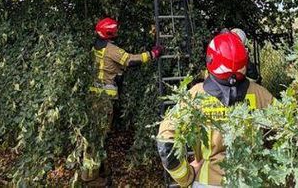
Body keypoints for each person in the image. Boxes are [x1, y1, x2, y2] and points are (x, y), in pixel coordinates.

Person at [156, 33, 273, 187]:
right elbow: (287, 127)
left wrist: (186, 176)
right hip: (250, 180)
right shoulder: (261, 94)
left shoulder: (195, 96)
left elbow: (165, 142)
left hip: (207, 181)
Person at [81, 17, 162, 186]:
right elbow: (130, 60)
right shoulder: (111, 49)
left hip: (93, 98)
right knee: (96, 138)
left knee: (96, 135)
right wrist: (152, 54)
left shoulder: (94, 46)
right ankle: (90, 178)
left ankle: (99, 170)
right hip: (103, 100)